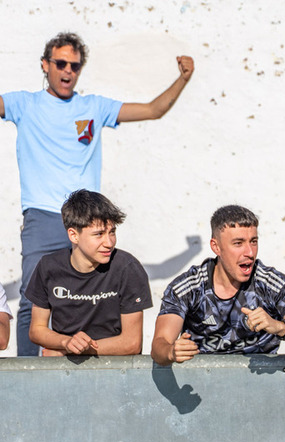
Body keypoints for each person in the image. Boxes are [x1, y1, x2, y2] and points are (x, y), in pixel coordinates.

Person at [1, 32, 195, 356]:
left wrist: (183, 79)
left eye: (75, 66)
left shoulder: (94, 106)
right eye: (60, 63)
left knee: (98, 299)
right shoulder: (25, 103)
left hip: (88, 219)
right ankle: (27, 375)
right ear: (45, 65)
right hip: (43, 215)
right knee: (31, 298)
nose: (67, 71)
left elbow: (152, 110)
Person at [151, 205, 285, 365]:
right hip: (201, 386)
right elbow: (160, 344)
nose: (250, 252)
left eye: (253, 241)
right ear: (216, 247)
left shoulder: (274, 284)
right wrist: (171, 352)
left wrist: (279, 327)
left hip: (262, 387)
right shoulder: (188, 287)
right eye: (238, 243)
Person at [24, 189, 150, 355]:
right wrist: (66, 342)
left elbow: (131, 343)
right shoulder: (48, 266)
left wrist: (70, 352)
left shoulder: (128, 268)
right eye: (99, 234)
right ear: (73, 235)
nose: (109, 242)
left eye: (112, 232)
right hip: (63, 373)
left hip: (116, 371)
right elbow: (36, 330)